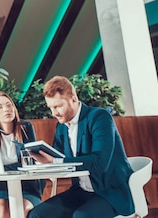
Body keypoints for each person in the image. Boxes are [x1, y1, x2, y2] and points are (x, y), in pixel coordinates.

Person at [27, 76, 134, 218]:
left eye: (58, 106)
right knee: (38, 214)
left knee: (81, 216)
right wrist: (41, 163)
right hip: (80, 191)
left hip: (110, 192)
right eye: (51, 108)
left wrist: (54, 161)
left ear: (73, 99)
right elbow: (58, 158)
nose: (54, 113)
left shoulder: (99, 117)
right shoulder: (61, 126)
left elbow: (100, 162)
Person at [0, 91, 45, 218]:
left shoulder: (25, 127)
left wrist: (7, 169)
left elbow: (30, 161)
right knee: (2, 211)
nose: (6, 109)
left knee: (20, 211)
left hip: (27, 187)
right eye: (0, 107)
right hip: (1, 188)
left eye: (9, 105)